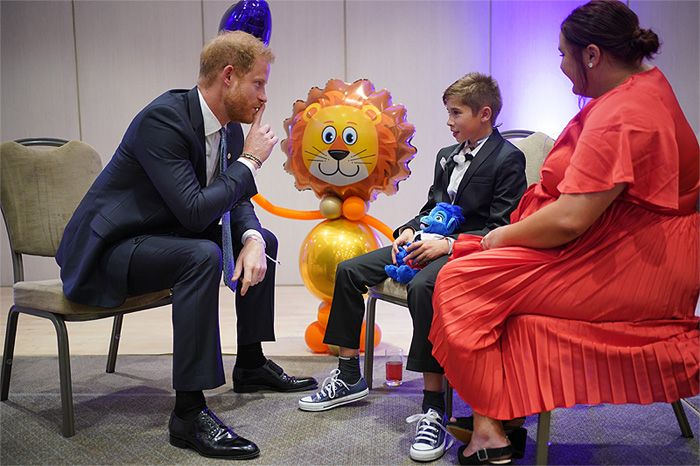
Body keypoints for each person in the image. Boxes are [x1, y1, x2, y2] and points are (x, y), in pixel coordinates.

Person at [429, 1, 700, 464]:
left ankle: (491, 429)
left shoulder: (623, 112)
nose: (559, 65)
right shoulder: (638, 90)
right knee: (485, 283)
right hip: (618, 247)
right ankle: (493, 425)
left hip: (632, 262)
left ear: (591, 55)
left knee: (460, 282)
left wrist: (497, 239)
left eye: (562, 54)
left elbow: (571, 219)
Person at [56, 31, 316, 460]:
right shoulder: (163, 120)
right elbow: (197, 212)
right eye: (259, 83)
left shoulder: (230, 132)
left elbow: (234, 201)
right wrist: (251, 161)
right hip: (108, 251)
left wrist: (249, 237)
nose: (264, 97)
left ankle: (250, 363)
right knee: (202, 255)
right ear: (228, 77)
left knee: (262, 239)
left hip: (162, 234)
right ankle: (188, 413)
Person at [298, 73, 527, 462]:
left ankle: (434, 406)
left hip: (467, 252)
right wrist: (408, 230)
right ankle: (349, 374)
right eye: (448, 113)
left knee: (424, 287)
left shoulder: (508, 158)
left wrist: (448, 244)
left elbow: (502, 226)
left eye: (456, 113)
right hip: (427, 241)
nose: (449, 122)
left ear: (484, 114)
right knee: (350, 270)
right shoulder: (445, 155)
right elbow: (430, 208)